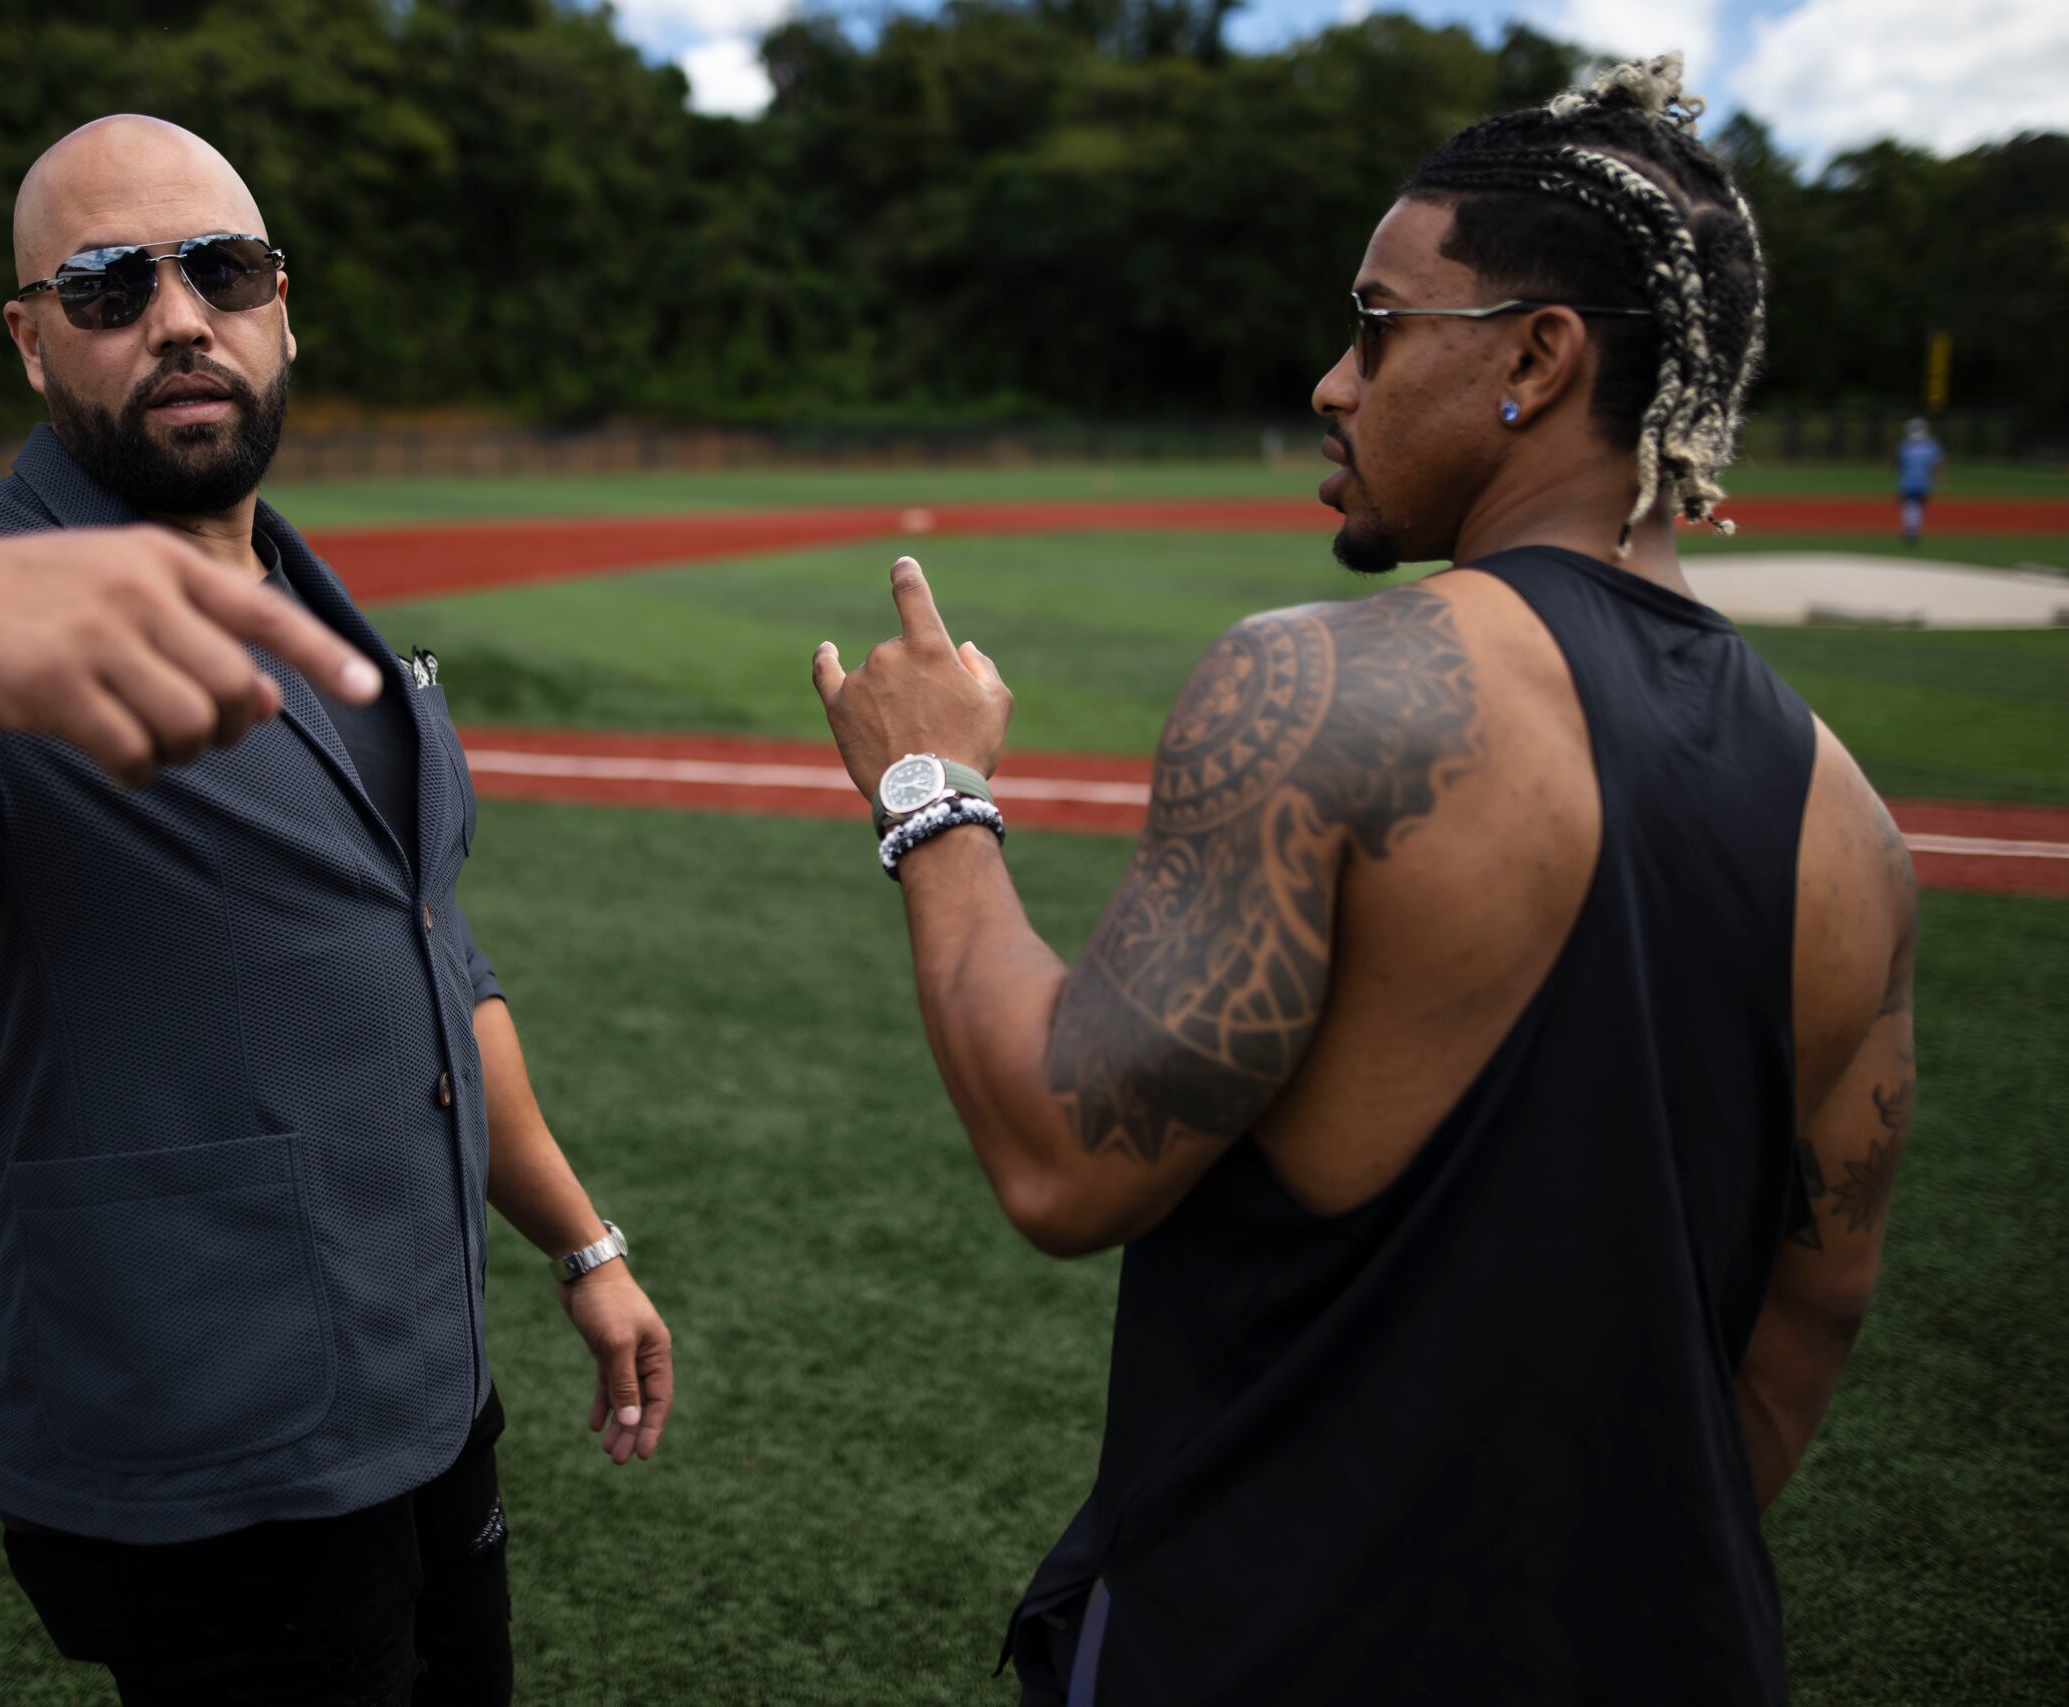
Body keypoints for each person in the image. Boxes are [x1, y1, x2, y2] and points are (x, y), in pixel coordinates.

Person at [810, 53, 1911, 1704]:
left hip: (1266, 1637)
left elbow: (1061, 1159)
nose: (1334, 381)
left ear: (1539, 357)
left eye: (1381, 326)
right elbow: (1807, 1319)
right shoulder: (1857, 822)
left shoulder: (1332, 687)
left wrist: (930, 789)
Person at [0, 115, 672, 1705]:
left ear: (283, 305)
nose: (178, 317)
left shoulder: (300, 583)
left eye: (223, 269)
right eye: (104, 285)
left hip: (430, 1392)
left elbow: (432, 962)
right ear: (29, 339)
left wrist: (582, 1245)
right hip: (216, 1459)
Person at [1897, 416, 1945, 544]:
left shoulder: (1905, 445)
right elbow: (1937, 464)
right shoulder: (1930, 445)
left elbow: (1900, 464)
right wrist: (1938, 479)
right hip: (1922, 482)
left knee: (1910, 506)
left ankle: (1911, 528)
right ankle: (1914, 529)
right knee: (1917, 506)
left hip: (1908, 482)